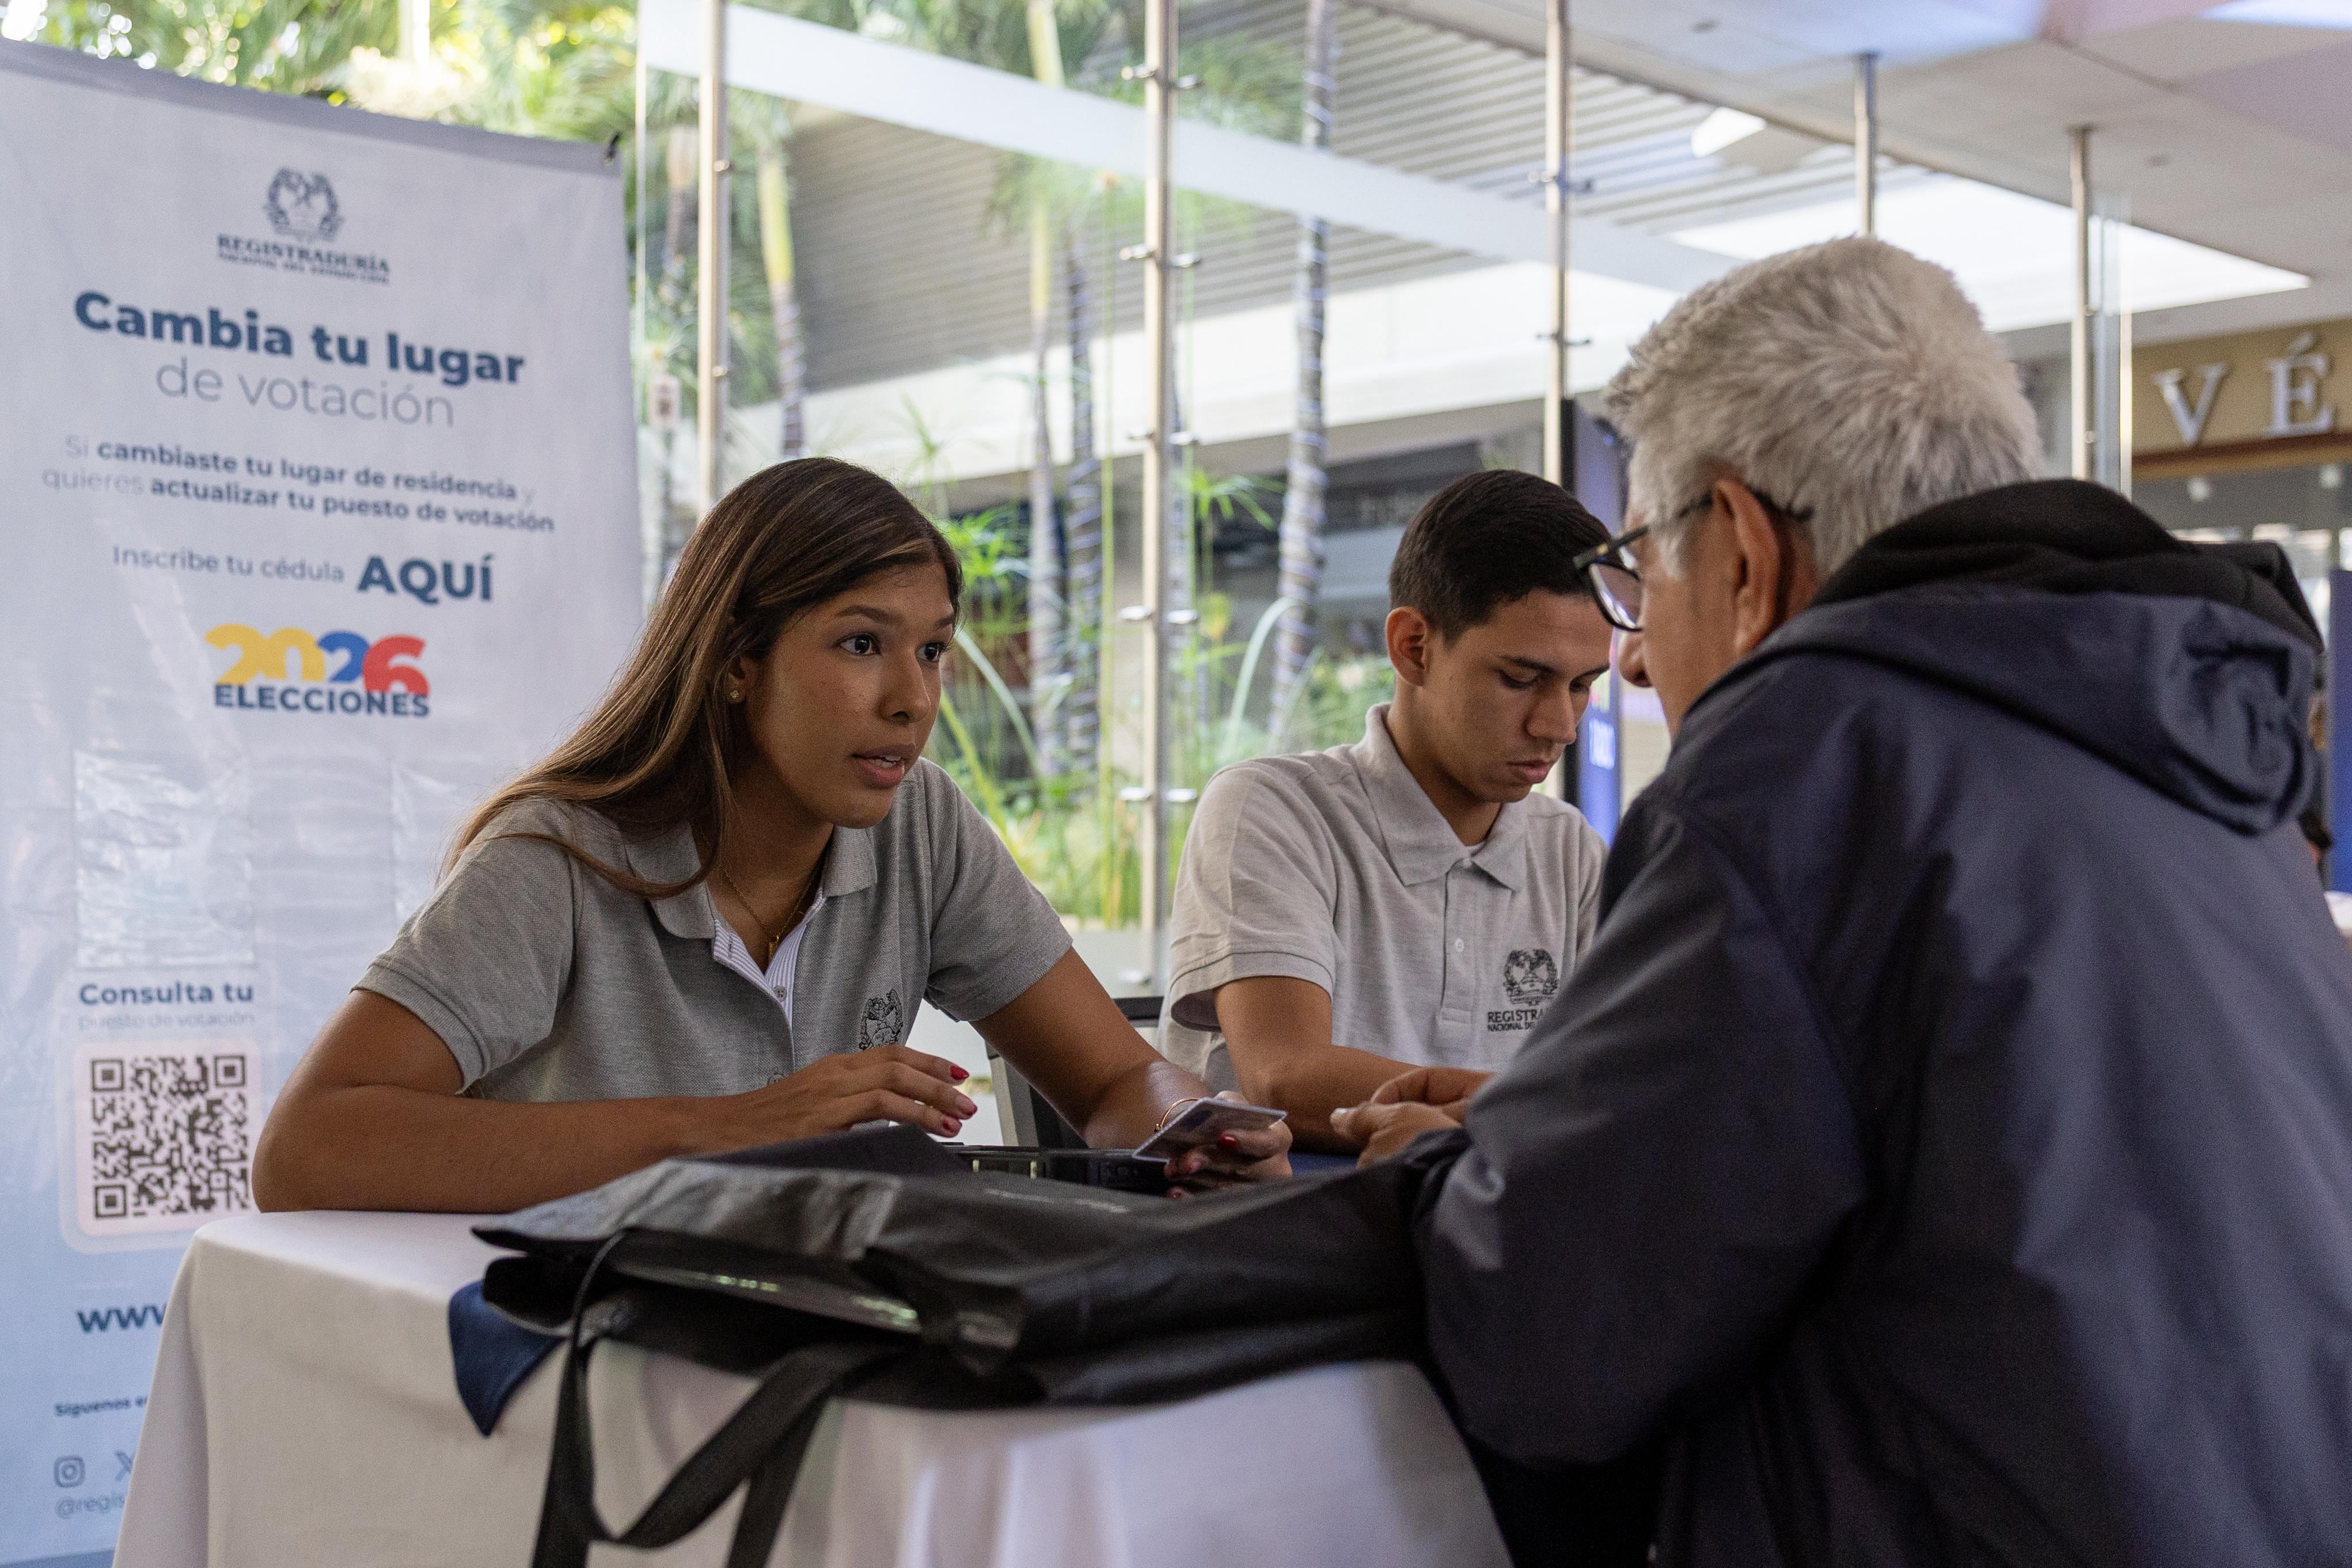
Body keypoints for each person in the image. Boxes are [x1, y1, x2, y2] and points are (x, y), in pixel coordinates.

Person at [1333, 238, 2352, 1562]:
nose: (1632, 657)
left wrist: (1449, 1169)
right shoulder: (2215, 767)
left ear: (1746, 549)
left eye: (1641, 565)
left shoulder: (1805, 758)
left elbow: (1550, 1337)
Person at [254, 458, 1289, 1213]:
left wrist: (1191, 1128)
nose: (911, 698)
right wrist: (730, 1126)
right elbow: (306, 1148)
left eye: (931, 650)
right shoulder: (555, 857)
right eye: (860, 642)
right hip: (562, 1366)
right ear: (736, 659)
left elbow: (1111, 1081)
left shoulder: (919, 823)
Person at [1158, 470, 1615, 1149]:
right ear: (1413, 646)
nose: (1559, 724)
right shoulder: (1274, 811)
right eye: (1521, 679)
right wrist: (1527, 1114)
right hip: (1291, 1228)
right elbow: (1284, 1075)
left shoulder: (1568, 850)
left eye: (1581, 686)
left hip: (1486, 1228)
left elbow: (1613, 1081)